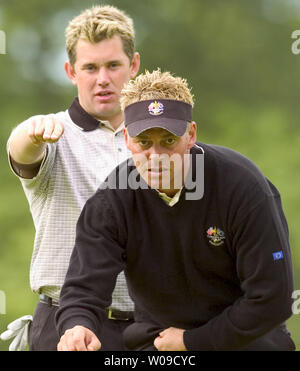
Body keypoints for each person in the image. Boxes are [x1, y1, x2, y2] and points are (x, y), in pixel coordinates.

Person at [55, 69, 295, 351]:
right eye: (144, 142)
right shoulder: (112, 200)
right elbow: (84, 287)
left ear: (190, 134)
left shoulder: (242, 186)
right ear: (128, 139)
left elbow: (273, 299)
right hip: (160, 343)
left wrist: (192, 341)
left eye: (168, 141)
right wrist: (78, 324)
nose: (156, 156)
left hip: (247, 342)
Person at [4, 5, 140, 351]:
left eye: (113, 65)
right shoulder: (52, 133)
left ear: (134, 66)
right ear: (70, 71)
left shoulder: (157, 142)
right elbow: (21, 151)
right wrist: (30, 132)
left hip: (146, 329)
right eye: (90, 67)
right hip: (65, 327)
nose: (102, 79)